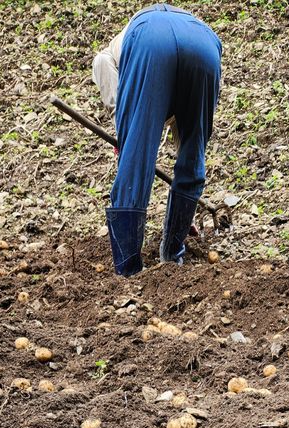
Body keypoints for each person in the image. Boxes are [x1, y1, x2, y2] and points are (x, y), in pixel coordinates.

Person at [92, 4, 222, 276]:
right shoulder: (123, 54)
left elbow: (102, 64)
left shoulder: (111, 53)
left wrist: (127, 138)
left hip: (151, 39)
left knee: (135, 162)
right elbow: (185, 142)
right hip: (206, 45)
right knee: (193, 154)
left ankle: (128, 269)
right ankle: (173, 255)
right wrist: (183, 208)